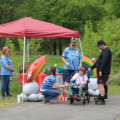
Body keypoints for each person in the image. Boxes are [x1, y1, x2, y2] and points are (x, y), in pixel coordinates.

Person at [88, 40, 112, 105]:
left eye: (99, 46)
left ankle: (102, 100)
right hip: (102, 71)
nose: (99, 47)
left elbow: (105, 61)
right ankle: (100, 97)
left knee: (101, 84)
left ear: (102, 44)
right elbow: (98, 62)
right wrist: (91, 68)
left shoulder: (106, 50)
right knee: (100, 84)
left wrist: (101, 70)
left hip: (103, 71)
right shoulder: (104, 51)